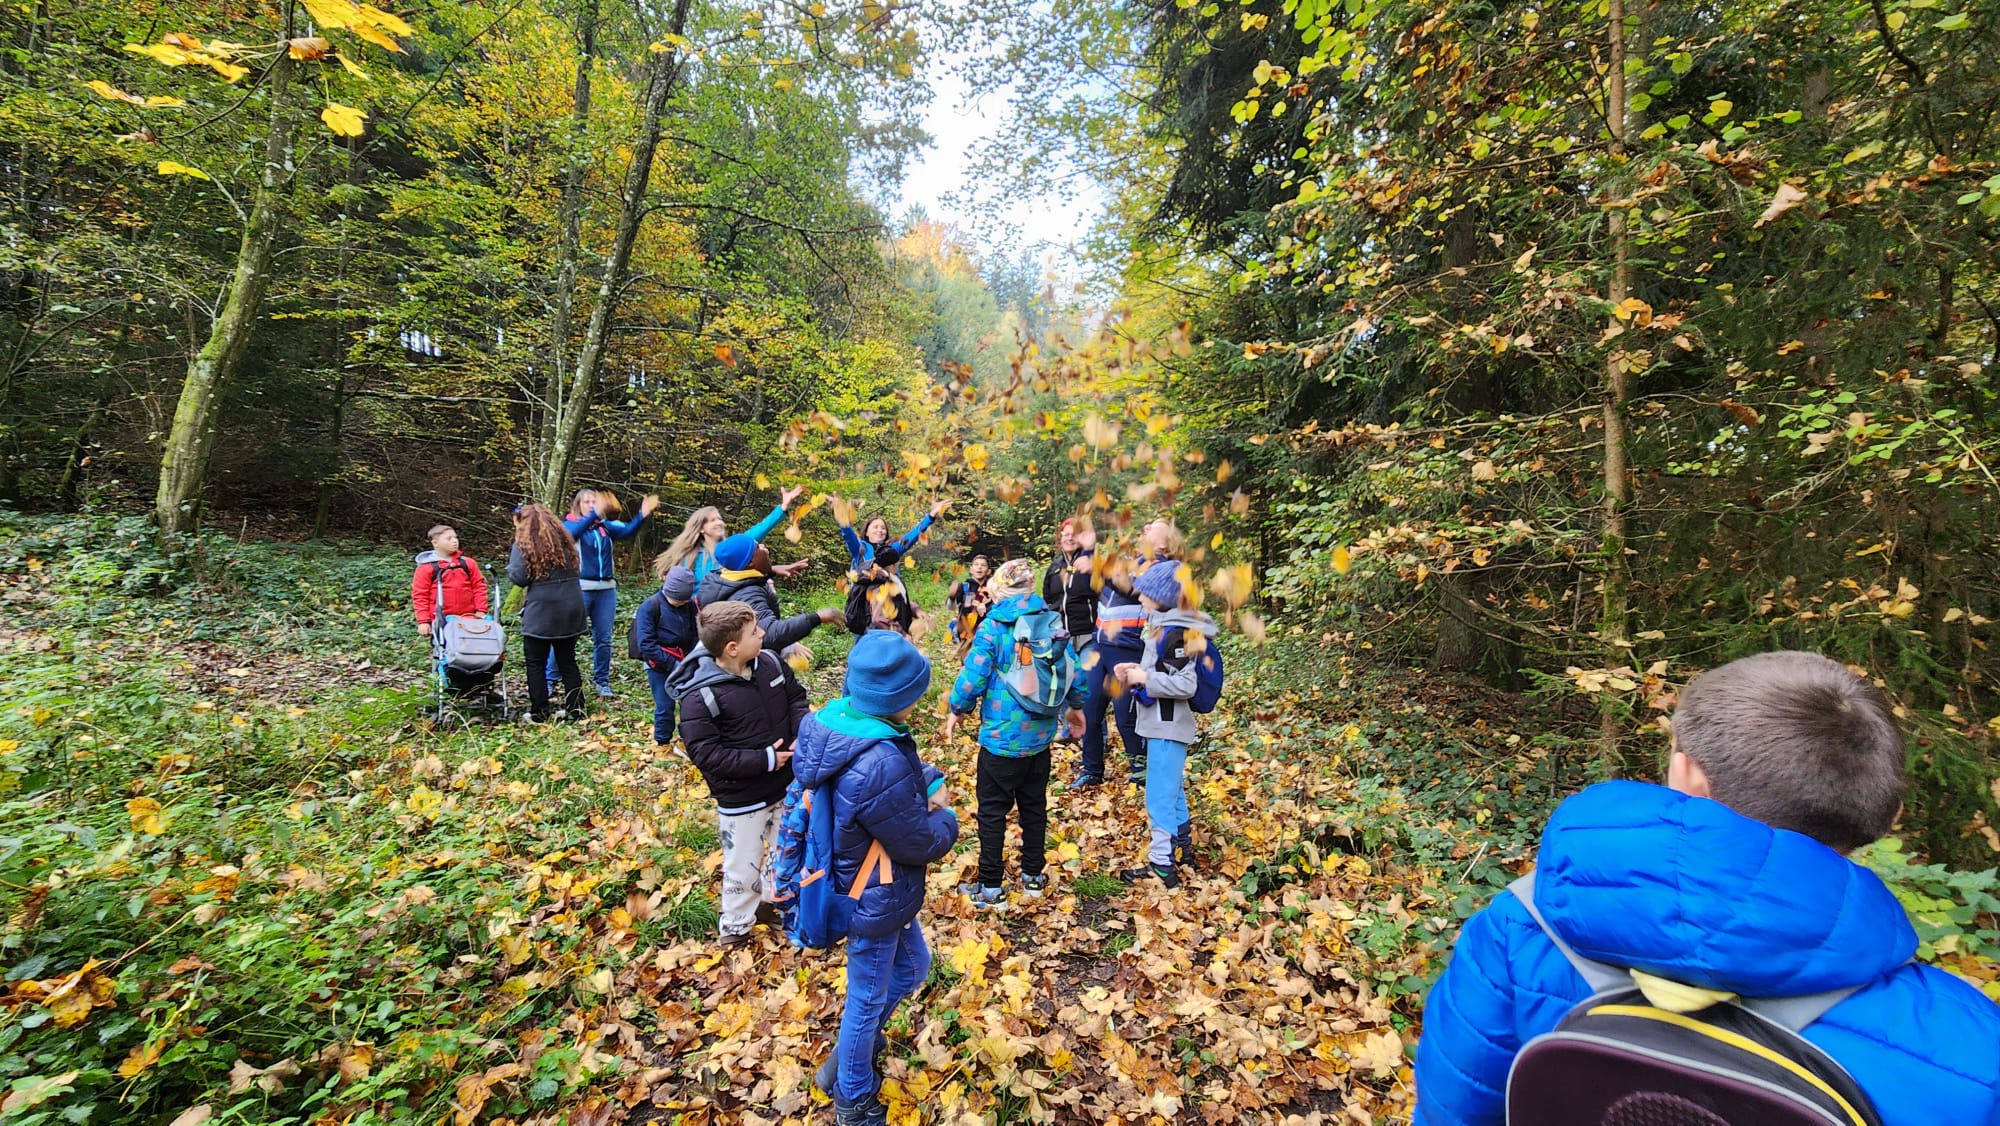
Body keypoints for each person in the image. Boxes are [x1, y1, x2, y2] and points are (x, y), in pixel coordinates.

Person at [1412, 651, 2000, 1126]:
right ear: (1889, 815)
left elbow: (1453, 1108)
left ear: (1685, 772)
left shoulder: (1524, 928)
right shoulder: (1970, 1043)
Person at [792, 631, 958, 1126]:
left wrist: (921, 776)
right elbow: (919, 842)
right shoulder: (878, 760)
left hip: (877, 889)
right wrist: (945, 816)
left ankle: (849, 1057)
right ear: (899, 700)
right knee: (865, 999)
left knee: (912, 969)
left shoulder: (842, 723)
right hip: (873, 895)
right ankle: (853, 1097)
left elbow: (889, 776)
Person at [944, 559, 1086, 908]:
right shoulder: (1051, 621)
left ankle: (991, 888)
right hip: (1039, 739)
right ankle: (1033, 877)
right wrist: (1076, 706)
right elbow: (1073, 671)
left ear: (1001, 588)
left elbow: (973, 675)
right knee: (1034, 807)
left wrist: (957, 709)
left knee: (992, 812)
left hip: (1000, 741)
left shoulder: (994, 627)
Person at [666, 601, 808, 948]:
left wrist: (799, 733)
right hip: (741, 799)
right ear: (732, 648)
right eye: (754, 632)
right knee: (742, 866)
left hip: (785, 785)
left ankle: (774, 903)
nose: (762, 634)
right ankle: (735, 926)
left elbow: (795, 697)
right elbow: (706, 753)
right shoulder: (700, 696)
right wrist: (764, 759)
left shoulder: (771, 662)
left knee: (786, 853)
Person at [1113, 559, 1216, 888]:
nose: (1139, 597)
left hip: (1167, 726)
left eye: (1145, 592)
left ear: (1162, 596)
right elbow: (1166, 673)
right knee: (1172, 794)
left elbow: (1185, 685)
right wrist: (1136, 670)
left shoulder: (1176, 633)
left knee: (1158, 796)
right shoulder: (1167, 626)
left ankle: (1162, 867)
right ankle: (1182, 851)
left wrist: (1144, 677)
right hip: (1162, 724)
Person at [1078, 519, 1184, 788]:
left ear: (1166, 542)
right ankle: (1091, 770)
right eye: (1145, 526)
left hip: (1128, 649)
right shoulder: (1130, 560)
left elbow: (1135, 588)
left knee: (1127, 716)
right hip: (1099, 645)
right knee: (1089, 710)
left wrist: (1101, 566)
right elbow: (1100, 578)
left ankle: (1140, 770)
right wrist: (1090, 552)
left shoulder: (1160, 567)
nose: (1145, 529)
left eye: (1153, 527)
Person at [557, 488, 659, 698]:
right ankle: (551, 679)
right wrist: (596, 513)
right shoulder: (570, 526)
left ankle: (601, 681)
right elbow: (570, 535)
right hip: (581, 589)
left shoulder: (604, 527)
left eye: (595, 501)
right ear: (577, 506)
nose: (592, 505)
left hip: (606, 591)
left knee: (604, 639)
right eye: (587, 502)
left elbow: (627, 532)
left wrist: (643, 514)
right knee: (567, 637)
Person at [506, 503, 587, 722]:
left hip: (543, 610)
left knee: (535, 662)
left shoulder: (524, 545)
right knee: (567, 660)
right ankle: (576, 708)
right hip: (572, 606)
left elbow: (519, 577)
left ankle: (539, 711)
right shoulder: (565, 541)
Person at [695, 534, 841, 653]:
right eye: (758, 547)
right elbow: (770, 634)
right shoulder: (747, 595)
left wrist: (770, 571)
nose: (765, 548)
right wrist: (818, 617)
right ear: (750, 562)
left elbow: (747, 577)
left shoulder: (725, 577)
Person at [659, 486, 809, 587]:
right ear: (700, 529)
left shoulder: (731, 549)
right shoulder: (689, 557)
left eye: (719, 518)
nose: (719, 522)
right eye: (712, 520)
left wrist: (783, 507)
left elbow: (759, 530)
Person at [634, 563, 697, 747]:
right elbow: (646, 644)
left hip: (685, 660)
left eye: (685, 600)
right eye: (678, 600)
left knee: (690, 703)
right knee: (665, 705)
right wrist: (672, 663)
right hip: (659, 664)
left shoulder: (689, 606)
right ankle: (662, 743)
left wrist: (691, 657)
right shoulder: (650, 607)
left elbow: (695, 632)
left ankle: (689, 739)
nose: (682, 603)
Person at [411, 524, 490, 637]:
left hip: (470, 618)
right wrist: (423, 621)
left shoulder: (467, 563)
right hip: (440, 620)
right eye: (449, 538)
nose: (454, 541)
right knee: (444, 651)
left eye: (455, 537)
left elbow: (479, 587)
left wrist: (481, 610)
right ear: (435, 543)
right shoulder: (426, 567)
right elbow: (420, 595)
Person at [837, 498, 950, 574]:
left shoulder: (892, 548)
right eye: (875, 527)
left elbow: (913, 535)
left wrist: (931, 515)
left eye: (883, 528)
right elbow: (848, 536)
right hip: (864, 596)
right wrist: (841, 515)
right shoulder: (860, 549)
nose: (880, 530)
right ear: (866, 532)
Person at [845, 544, 918, 636]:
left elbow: (898, 601)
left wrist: (915, 609)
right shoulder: (879, 586)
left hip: (892, 638)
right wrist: (903, 634)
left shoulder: (890, 579)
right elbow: (879, 620)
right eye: (897, 564)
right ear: (892, 566)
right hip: (886, 640)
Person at [947, 555, 994, 647]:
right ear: (971, 569)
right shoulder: (964, 587)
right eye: (976, 564)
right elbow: (951, 607)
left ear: (988, 571)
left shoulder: (992, 589)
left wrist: (986, 605)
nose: (979, 567)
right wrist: (952, 597)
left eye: (983, 565)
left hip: (986, 632)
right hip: (966, 632)